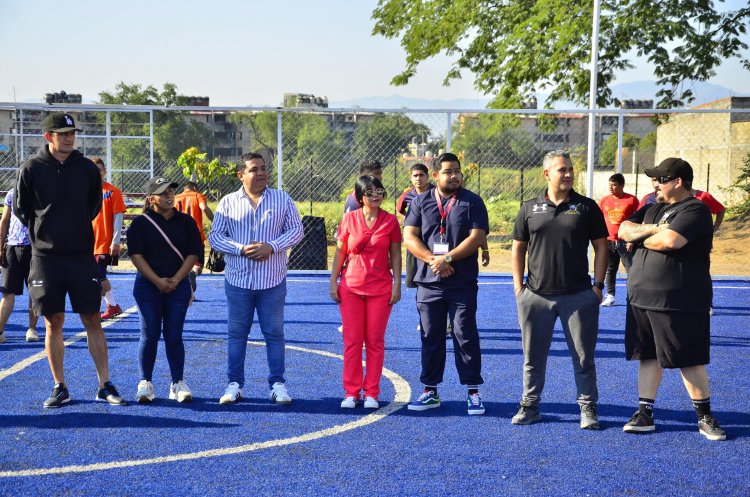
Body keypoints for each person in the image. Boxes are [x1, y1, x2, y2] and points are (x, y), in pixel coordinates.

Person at [14, 112, 125, 408]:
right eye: (62, 133)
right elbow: (22, 209)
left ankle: (104, 384)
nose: (68, 138)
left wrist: (73, 229)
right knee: (54, 321)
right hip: (45, 258)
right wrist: (45, 232)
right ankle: (60, 385)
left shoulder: (86, 169)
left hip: (80, 256)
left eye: (72, 133)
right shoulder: (32, 168)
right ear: (48, 136)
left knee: (92, 318)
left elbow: (92, 207)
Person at [618, 157, 726, 441]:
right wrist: (652, 230)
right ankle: (645, 412)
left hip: (680, 299)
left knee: (688, 358)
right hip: (641, 296)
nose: (655, 184)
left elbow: (671, 242)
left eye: (660, 179)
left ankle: (704, 417)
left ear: (678, 182)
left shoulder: (696, 209)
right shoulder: (653, 208)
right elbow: (623, 229)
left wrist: (644, 236)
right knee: (648, 356)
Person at [510, 150, 608, 430]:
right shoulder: (529, 208)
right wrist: (519, 288)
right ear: (546, 174)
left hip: (578, 297)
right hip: (535, 297)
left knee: (583, 357)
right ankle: (530, 405)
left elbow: (601, 246)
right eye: (561, 170)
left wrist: (598, 287)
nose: (567, 174)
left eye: (570, 169)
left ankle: (588, 407)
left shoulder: (586, 206)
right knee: (533, 357)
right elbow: (518, 247)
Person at [209, 152, 304, 405]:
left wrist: (271, 246)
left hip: (272, 281)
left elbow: (296, 230)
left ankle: (277, 385)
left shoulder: (282, 199)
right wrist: (241, 249)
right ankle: (234, 385)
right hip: (238, 281)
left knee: (274, 333)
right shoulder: (228, 202)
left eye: (263, 168)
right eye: (254, 169)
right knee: (237, 333)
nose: (261, 173)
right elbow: (215, 236)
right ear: (241, 175)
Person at [403, 152, 489, 415]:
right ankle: (430, 390)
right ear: (436, 175)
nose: (454, 176)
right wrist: (433, 260)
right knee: (431, 337)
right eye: (448, 172)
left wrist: (448, 258)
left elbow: (477, 236)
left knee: (465, 335)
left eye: (457, 171)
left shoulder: (472, 201)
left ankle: (473, 392)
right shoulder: (420, 202)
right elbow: (409, 235)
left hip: (461, 282)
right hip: (429, 283)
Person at [126, 177, 203, 403]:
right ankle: (145, 383)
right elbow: (136, 256)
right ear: (151, 199)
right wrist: (158, 281)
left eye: (171, 191)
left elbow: (194, 253)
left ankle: (177, 383)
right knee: (149, 335)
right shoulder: (140, 224)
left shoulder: (186, 222)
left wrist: (178, 279)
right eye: (164, 193)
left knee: (174, 335)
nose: (170, 196)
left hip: (178, 285)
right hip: (147, 286)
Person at [330, 176, 402, 409]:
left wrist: (397, 284)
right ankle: (351, 392)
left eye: (379, 191)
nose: (376, 195)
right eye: (370, 192)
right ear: (360, 197)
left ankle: (372, 392)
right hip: (350, 287)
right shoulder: (349, 219)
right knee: (352, 342)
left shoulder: (391, 221)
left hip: (380, 289)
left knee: (375, 342)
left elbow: (396, 256)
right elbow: (340, 253)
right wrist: (333, 281)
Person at [0, 188, 40, 343]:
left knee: (34, 291)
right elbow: (4, 221)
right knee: (7, 293)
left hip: (36, 247)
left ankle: (32, 329)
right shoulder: (12, 193)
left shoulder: (42, 190)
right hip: (12, 246)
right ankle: (0, 331)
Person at [91, 158, 127, 320]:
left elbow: (118, 217)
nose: (97, 172)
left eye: (99, 169)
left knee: (97, 278)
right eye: (94, 169)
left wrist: (116, 241)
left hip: (104, 243)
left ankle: (94, 311)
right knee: (97, 276)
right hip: (88, 244)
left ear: (104, 171)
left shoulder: (113, 191)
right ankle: (112, 306)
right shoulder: (86, 191)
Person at [598, 173, 639, 306]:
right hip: (608, 241)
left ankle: (633, 296)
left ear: (621, 185)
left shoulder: (631, 200)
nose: (611, 187)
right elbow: (600, 219)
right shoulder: (604, 200)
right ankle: (610, 296)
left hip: (625, 241)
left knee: (631, 269)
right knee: (610, 269)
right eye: (609, 185)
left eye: (614, 185)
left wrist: (631, 239)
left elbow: (637, 221)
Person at [396, 163, 433, 288]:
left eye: (421, 175)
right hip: (414, 238)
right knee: (413, 281)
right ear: (411, 178)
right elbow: (400, 210)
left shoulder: (436, 192)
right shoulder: (407, 195)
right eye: (415, 175)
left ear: (427, 177)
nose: (418, 178)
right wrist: (409, 219)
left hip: (432, 237)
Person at [175, 181, 214, 291]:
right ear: (195, 189)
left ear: (184, 189)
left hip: (178, 236)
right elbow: (204, 208)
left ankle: (186, 292)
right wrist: (214, 221)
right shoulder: (198, 195)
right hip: (195, 235)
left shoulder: (176, 198)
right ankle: (194, 273)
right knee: (197, 266)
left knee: (180, 265)